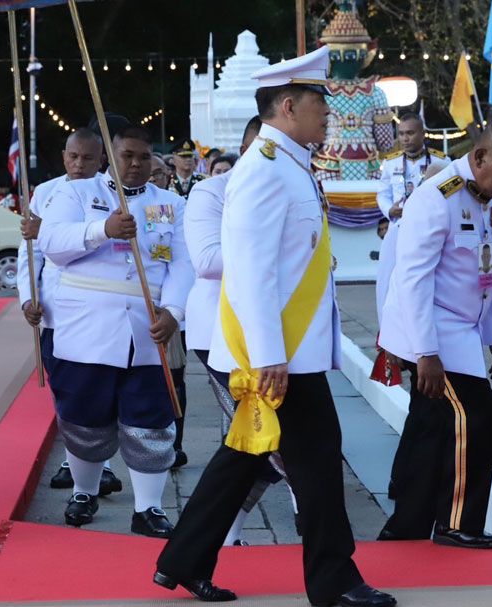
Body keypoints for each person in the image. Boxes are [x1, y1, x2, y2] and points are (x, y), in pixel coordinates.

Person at [155, 47, 395, 607]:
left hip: (292, 348)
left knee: (247, 454)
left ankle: (182, 559)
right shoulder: (263, 170)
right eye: (320, 102)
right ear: (288, 105)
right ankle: (335, 584)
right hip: (280, 353)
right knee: (316, 462)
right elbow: (249, 273)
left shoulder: (287, 163)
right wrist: (267, 355)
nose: (328, 114)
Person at [377, 118, 492, 553]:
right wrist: (426, 353)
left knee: (432, 426)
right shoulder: (437, 196)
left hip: (462, 330)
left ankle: (407, 523)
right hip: (431, 330)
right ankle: (458, 522)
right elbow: (413, 280)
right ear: (479, 157)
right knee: (474, 414)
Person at [38, 125, 192, 534]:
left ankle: (148, 508)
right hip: (87, 326)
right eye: (127, 156)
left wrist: (174, 311)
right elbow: (51, 243)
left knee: (150, 419)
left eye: (144, 156)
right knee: (85, 418)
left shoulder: (172, 204)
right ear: (110, 154)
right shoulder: (75, 193)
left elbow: (183, 263)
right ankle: (84, 492)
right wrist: (101, 230)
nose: (137, 164)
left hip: (147, 328)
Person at [185, 116, 285, 546]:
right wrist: (276, 253)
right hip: (222, 337)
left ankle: (224, 532)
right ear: (245, 150)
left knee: (264, 445)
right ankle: (214, 536)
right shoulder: (210, 192)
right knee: (262, 441)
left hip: (281, 335)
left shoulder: (291, 187)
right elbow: (207, 260)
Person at [17, 127, 122, 499]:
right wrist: (29, 297)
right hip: (56, 309)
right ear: (63, 156)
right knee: (68, 392)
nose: (79, 165)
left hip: (98, 312)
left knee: (99, 393)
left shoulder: (113, 193)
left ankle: (100, 466)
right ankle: (76, 459)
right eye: (73, 156)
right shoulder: (45, 193)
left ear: (101, 161)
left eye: (88, 158)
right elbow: (30, 254)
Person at [374, 111, 449, 325]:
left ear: (423, 134)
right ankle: (388, 326)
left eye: (410, 133)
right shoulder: (391, 163)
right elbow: (382, 193)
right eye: (402, 134)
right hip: (399, 228)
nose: (405, 138)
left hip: (429, 230)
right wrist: (390, 210)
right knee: (389, 277)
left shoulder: (441, 161)